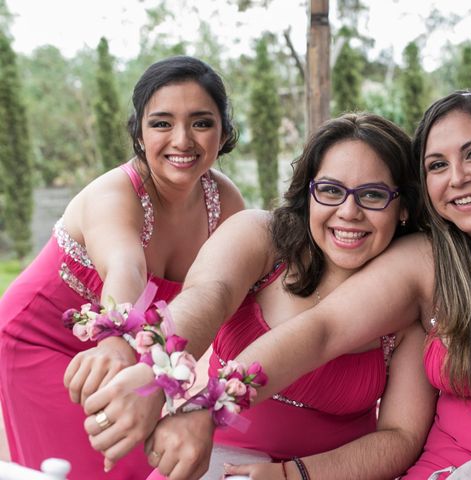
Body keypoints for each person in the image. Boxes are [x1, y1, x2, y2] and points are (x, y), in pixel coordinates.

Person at [85, 91, 471, 479]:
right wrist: (197, 396)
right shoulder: (425, 259)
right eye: (438, 164)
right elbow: (318, 329)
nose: (458, 177)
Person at [78, 112, 434, 480]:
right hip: (211, 459)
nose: (348, 212)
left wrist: (292, 475)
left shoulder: (407, 303)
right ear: (308, 193)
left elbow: (401, 436)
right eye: (330, 190)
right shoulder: (262, 238)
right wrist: (156, 373)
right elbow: (207, 295)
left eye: (373, 195)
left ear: (403, 206)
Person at [0, 55, 244, 479]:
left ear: (224, 131)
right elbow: (126, 267)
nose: (182, 140)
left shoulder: (225, 203)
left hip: (134, 351)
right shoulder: (116, 193)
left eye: (201, 122)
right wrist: (116, 341)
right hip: (40, 340)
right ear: (139, 131)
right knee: (99, 464)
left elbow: (230, 294)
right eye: (162, 123)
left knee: (155, 459)